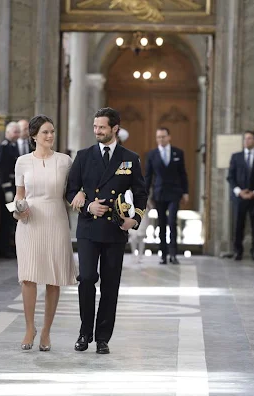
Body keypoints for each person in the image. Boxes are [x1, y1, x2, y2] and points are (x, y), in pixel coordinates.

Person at [66, 107, 147, 355]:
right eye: (94, 127)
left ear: (115, 129)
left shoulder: (129, 158)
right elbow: (70, 190)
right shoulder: (83, 156)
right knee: (87, 279)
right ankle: (84, 332)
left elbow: (141, 193)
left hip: (115, 230)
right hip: (89, 228)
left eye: (101, 127)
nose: (97, 131)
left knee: (110, 284)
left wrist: (134, 220)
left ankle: (103, 337)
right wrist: (88, 204)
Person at [13, 115, 79, 351]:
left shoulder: (65, 161)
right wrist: (18, 209)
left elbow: (71, 192)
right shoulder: (21, 161)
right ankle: (29, 328)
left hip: (56, 220)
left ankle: (46, 332)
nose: (50, 136)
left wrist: (81, 195)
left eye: (52, 131)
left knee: (53, 277)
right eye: (45, 132)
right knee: (28, 276)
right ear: (33, 136)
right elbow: (20, 194)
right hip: (29, 222)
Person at [144, 127, 189, 265]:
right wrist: (145, 195)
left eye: (163, 136)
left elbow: (183, 174)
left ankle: (173, 254)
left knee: (172, 222)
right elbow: (148, 176)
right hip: (159, 193)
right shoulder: (152, 155)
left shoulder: (178, 153)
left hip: (174, 192)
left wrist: (185, 192)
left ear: (169, 137)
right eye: (158, 137)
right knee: (161, 224)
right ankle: (163, 254)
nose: (161, 139)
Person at [227, 131, 254, 261]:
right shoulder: (236, 157)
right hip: (239, 197)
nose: (246, 141)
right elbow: (231, 177)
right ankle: (237, 251)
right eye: (245, 138)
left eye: (250, 138)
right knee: (238, 224)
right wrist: (239, 191)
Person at [0, 122, 20, 258]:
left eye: (18, 132)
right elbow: (2, 170)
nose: (17, 134)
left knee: (11, 219)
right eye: (15, 132)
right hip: (6, 189)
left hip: (13, 187)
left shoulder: (13, 146)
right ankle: (3, 247)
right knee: (5, 219)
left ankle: (9, 246)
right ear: (8, 132)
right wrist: (6, 189)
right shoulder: (4, 147)